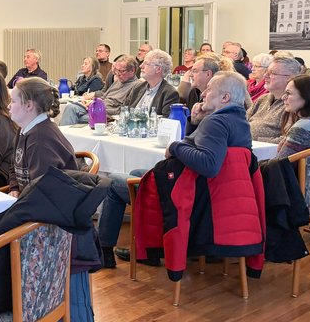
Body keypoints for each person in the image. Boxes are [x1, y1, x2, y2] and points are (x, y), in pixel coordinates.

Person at [102, 72, 253, 268]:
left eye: (209, 90)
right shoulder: (238, 121)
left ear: (225, 98)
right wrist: (195, 121)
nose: (203, 93)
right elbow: (201, 148)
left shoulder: (216, 123)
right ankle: (151, 247)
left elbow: (209, 165)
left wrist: (175, 147)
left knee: (112, 182)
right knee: (139, 171)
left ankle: (104, 251)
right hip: (211, 194)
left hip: (188, 195)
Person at [7, 78, 78, 197]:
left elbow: (42, 191)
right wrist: (15, 188)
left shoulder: (40, 140)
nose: (9, 106)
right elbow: (14, 166)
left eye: (13, 101)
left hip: (50, 209)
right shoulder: (23, 129)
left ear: (29, 105)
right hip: (31, 201)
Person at [62, 56, 138, 124]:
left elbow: (122, 111)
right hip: (97, 109)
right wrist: (92, 103)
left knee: (75, 116)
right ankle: (62, 138)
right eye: (116, 70)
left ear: (132, 70)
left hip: (107, 115)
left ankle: (63, 138)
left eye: (122, 71)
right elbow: (104, 96)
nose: (118, 74)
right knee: (70, 107)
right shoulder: (119, 81)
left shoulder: (136, 87)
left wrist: (97, 108)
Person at [247, 55, 302, 144]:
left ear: (290, 78)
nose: (265, 76)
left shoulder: (293, 103)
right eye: (266, 72)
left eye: (272, 73)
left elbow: (288, 140)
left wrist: (255, 141)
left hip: (268, 153)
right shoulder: (262, 99)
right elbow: (243, 123)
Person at [124, 49, 180, 117]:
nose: (141, 66)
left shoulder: (170, 93)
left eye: (146, 63)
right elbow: (124, 111)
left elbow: (166, 122)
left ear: (158, 69)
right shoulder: (137, 88)